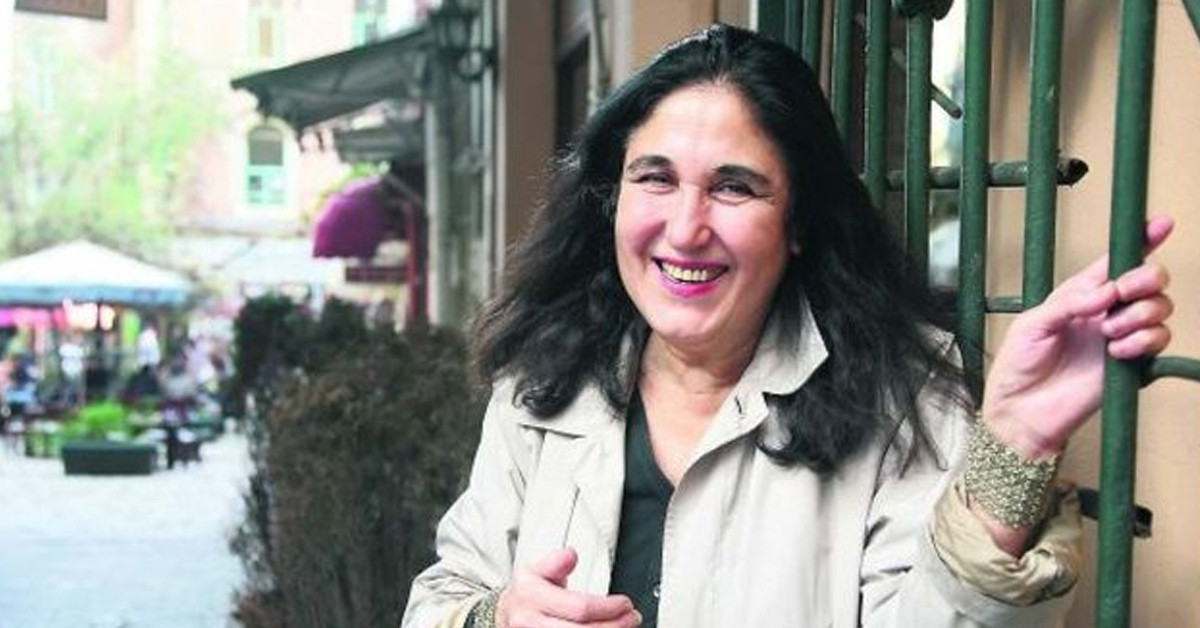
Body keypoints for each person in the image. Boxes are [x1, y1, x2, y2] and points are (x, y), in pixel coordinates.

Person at [402, 25, 1174, 628]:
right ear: (612, 198)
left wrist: (1013, 447)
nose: (685, 229)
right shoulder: (544, 382)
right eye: (656, 178)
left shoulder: (900, 395)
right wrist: (496, 616)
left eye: (734, 188)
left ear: (798, 222)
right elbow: (444, 593)